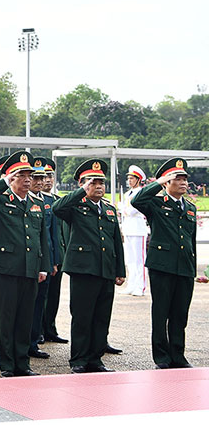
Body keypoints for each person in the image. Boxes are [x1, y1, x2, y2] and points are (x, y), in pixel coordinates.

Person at [0, 151, 49, 378]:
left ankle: (22, 363)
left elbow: (41, 239)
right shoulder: (1, 200)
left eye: (30, 176)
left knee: (25, 318)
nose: (28, 180)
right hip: (7, 267)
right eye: (22, 175)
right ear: (12, 178)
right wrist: (4, 181)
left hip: (30, 267)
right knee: (6, 319)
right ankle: (7, 364)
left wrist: (43, 266)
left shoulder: (37, 204)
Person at [53, 159, 125, 373]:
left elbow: (116, 243)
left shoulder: (110, 210)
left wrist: (120, 271)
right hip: (83, 270)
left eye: (101, 182)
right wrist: (81, 192)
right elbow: (58, 208)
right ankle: (79, 359)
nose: (99, 186)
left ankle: (95, 358)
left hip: (105, 269)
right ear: (83, 185)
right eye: (93, 182)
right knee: (83, 316)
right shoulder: (76, 206)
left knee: (101, 317)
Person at [131, 158, 196, 369]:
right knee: (161, 313)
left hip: (184, 267)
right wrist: (158, 182)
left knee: (180, 314)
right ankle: (161, 356)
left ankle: (178, 354)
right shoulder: (157, 203)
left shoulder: (191, 208)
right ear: (167, 182)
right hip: (162, 266)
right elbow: (137, 201)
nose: (184, 182)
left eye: (185, 178)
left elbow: (191, 240)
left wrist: (193, 268)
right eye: (178, 178)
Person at [27, 159, 54, 360]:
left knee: (38, 305)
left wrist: (50, 262)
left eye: (40, 178)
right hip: (23, 262)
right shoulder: (17, 198)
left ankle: (33, 342)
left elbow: (49, 237)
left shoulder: (45, 201)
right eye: (34, 177)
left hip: (42, 260)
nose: (38, 181)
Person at [41, 158, 68, 345]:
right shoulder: (36, 201)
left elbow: (60, 233)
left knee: (54, 296)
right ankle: (39, 330)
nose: (48, 180)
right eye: (44, 176)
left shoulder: (57, 201)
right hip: (42, 257)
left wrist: (59, 258)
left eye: (51, 176)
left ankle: (50, 328)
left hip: (57, 256)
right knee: (40, 297)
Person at [120, 165, 149, 296]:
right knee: (130, 260)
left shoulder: (142, 193)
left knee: (140, 260)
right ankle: (131, 284)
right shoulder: (128, 194)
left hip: (138, 229)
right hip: (129, 228)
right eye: (129, 178)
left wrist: (124, 209)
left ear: (138, 180)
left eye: (132, 178)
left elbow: (133, 210)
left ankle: (140, 286)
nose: (129, 181)